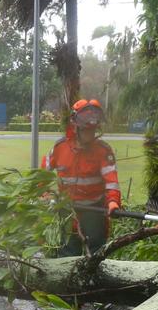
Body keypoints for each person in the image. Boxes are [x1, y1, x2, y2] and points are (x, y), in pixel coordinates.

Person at [42, 98, 121, 256]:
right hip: (67, 210)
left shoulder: (103, 151)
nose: (89, 135)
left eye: (92, 131)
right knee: (67, 252)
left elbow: (111, 182)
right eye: (86, 131)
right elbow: (42, 174)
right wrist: (43, 193)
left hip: (94, 210)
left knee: (96, 254)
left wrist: (113, 202)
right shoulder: (60, 148)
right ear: (76, 126)